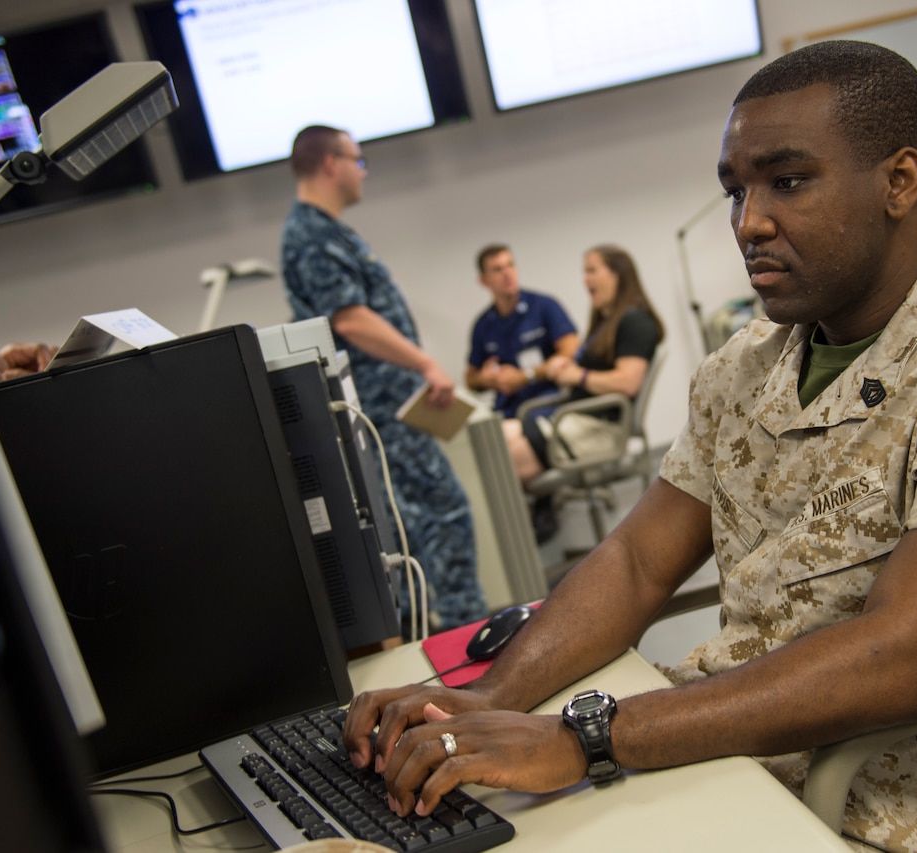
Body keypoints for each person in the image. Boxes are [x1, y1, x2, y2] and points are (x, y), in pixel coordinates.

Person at [342, 41, 917, 853]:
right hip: (717, 754)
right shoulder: (744, 369)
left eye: (787, 181)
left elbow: (909, 654)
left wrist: (587, 737)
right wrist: (492, 697)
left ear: (900, 181)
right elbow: (640, 560)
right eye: (735, 190)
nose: (749, 221)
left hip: (899, 809)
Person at [280, 124, 487, 632]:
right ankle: (470, 643)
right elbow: (349, 318)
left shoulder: (326, 231)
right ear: (331, 163)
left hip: (389, 407)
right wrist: (423, 362)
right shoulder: (311, 236)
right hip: (382, 410)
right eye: (358, 159)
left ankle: (427, 638)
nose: (362, 170)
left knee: (406, 530)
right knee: (443, 513)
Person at [506, 245, 663, 485]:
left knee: (500, 462)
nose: (585, 279)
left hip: (596, 429)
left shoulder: (635, 321)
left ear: (617, 275)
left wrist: (577, 376)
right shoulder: (606, 323)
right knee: (498, 437)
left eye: (592, 271)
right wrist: (566, 367)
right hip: (574, 419)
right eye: (584, 272)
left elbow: (628, 382)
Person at [465, 244, 579, 420]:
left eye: (510, 265)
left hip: (549, 397)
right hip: (508, 403)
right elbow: (470, 377)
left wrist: (526, 376)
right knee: (484, 430)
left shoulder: (544, 307)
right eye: (497, 270)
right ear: (484, 281)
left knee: (523, 426)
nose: (507, 274)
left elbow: (571, 351)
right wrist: (485, 379)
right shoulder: (483, 325)